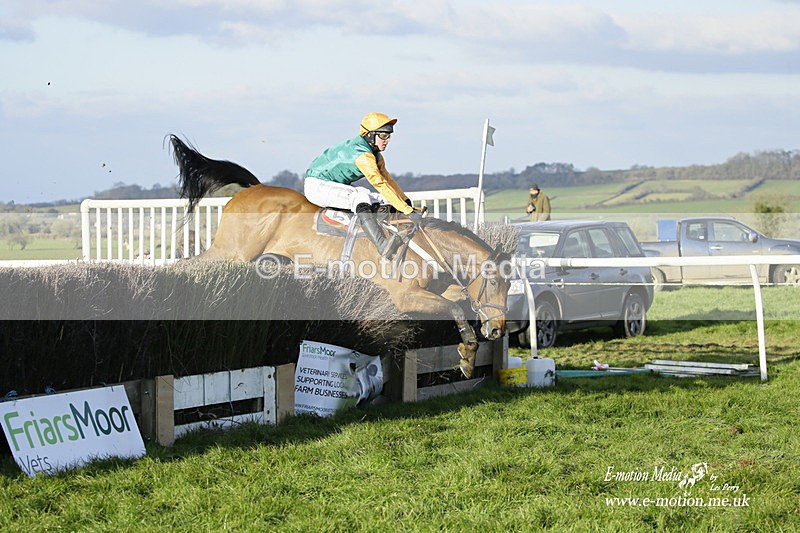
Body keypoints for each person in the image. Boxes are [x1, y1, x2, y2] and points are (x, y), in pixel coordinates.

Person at [304, 112, 424, 257]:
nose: (387, 140)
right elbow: (379, 183)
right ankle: (382, 245)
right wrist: (407, 211)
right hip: (317, 186)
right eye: (383, 136)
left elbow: (388, 180)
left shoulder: (375, 155)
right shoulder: (363, 156)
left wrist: (407, 204)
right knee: (360, 196)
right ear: (369, 135)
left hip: (332, 184)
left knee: (378, 199)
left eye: (389, 136)